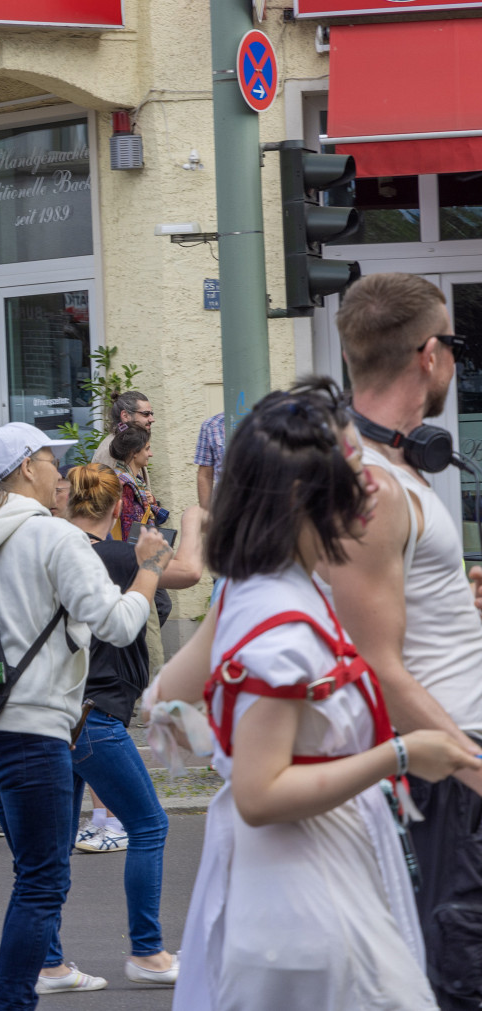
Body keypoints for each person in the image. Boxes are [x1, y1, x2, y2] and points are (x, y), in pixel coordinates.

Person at [158, 380, 480, 1011]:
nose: (374, 485)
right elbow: (259, 796)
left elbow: (166, 698)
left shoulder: (255, 590)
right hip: (308, 902)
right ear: (302, 494)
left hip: (285, 886)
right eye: (355, 468)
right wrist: (403, 754)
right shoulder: (282, 627)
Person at [0, 423, 168, 1007]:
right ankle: (13, 1002)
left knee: (34, 875)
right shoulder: (54, 537)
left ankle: (49, 970)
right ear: (26, 468)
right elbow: (118, 625)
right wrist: (148, 566)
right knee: (41, 885)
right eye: (50, 461)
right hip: (36, 728)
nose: (59, 474)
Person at [317, 272, 482, 1008]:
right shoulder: (371, 487)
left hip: (453, 757)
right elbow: (375, 662)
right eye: (454, 344)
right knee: (458, 978)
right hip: (447, 770)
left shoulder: (395, 470)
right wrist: (475, 769)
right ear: (429, 354)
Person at [55, 464, 177, 984]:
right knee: (149, 825)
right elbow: (189, 571)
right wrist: (192, 525)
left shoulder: (55, 552)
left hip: (59, 713)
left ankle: (49, 961)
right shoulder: (119, 555)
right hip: (97, 715)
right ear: (116, 508)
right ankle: (147, 952)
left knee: (54, 847)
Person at [91, 390, 154, 485]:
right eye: (145, 414)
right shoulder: (112, 449)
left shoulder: (129, 444)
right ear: (125, 416)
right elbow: (109, 492)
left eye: (151, 414)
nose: (152, 419)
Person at [194, 413, 225, 510]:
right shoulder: (212, 425)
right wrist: (205, 513)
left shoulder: (267, 420)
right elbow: (205, 475)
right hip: (227, 507)